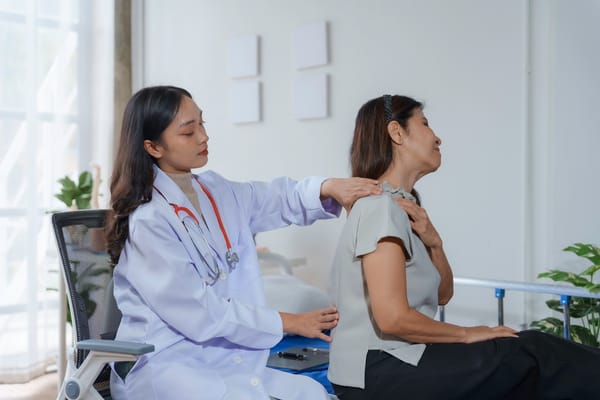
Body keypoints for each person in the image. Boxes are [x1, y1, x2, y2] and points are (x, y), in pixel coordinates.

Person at [105, 85, 383, 400]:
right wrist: (292, 322)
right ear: (153, 147)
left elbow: (279, 198)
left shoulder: (215, 191)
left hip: (221, 357)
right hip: (167, 363)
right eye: (188, 131)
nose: (203, 136)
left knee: (313, 394)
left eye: (202, 123)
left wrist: (330, 187)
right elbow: (199, 313)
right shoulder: (149, 221)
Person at [327, 94, 600, 400]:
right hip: (375, 369)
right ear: (396, 132)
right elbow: (393, 318)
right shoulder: (379, 207)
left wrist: (435, 243)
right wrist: (470, 334)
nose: (437, 137)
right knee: (532, 353)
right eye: (426, 124)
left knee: (526, 358)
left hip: (399, 359)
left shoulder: (405, 206)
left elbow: (443, 294)